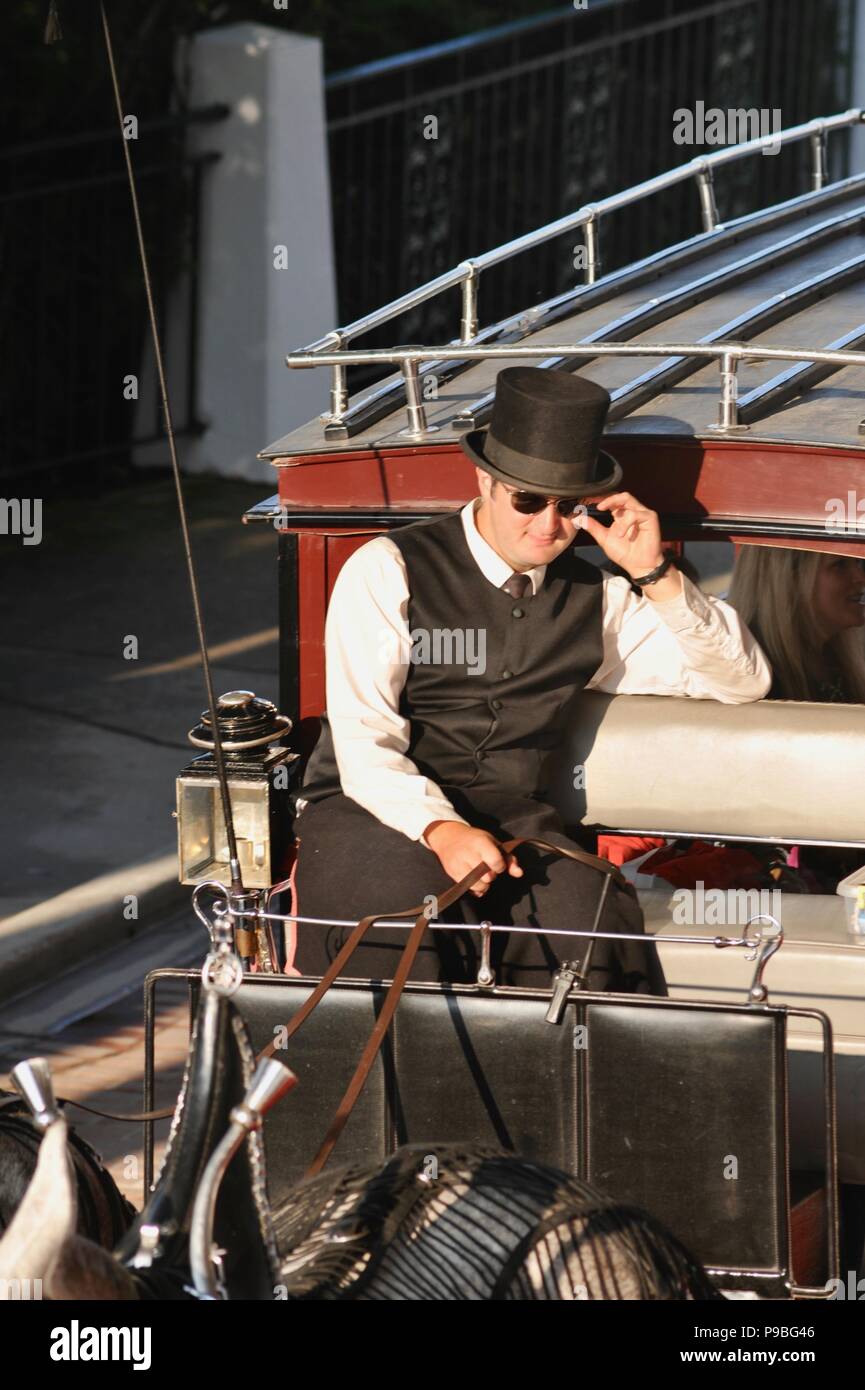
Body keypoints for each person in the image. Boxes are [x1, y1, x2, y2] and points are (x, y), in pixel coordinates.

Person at [292, 368, 771, 992]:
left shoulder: (599, 597)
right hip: (375, 815)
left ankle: (578, 1089)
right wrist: (443, 830)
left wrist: (655, 574)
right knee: (403, 924)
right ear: (484, 481)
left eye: (569, 506)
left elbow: (741, 682)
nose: (549, 525)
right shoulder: (387, 570)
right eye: (527, 501)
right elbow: (364, 744)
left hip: (522, 830)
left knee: (597, 929)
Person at [727, 545, 865, 703]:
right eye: (839, 564)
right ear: (789, 578)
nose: (861, 577)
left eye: (857, 562)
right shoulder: (757, 677)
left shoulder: (837, 658)